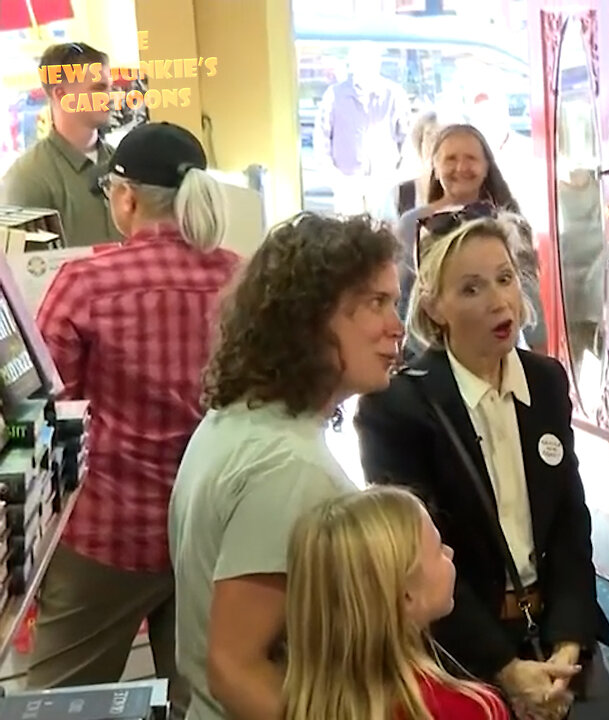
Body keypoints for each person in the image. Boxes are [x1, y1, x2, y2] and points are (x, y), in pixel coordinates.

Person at [355, 209, 609, 720]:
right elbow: (413, 564)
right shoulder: (398, 407)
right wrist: (506, 669)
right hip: (458, 644)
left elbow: (570, 523)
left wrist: (568, 643)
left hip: (550, 630)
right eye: (472, 289)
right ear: (434, 307)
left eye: (505, 278)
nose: (500, 300)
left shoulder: (545, 382)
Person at [29, 122, 238, 710]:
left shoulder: (87, 284)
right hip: (217, 534)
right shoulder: (245, 278)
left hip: (106, 534)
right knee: (204, 702)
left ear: (125, 197)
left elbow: (47, 410)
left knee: (58, 703)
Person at [168, 213, 404, 720]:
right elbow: (236, 668)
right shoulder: (288, 465)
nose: (396, 327)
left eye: (395, 303)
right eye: (375, 303)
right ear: (311, 318)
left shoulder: (237, 420)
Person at [283, 485, 512, 720]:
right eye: (438, 548)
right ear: (406, 596)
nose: (450, 553)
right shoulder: (472, 709)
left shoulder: (306, 707)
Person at [395, 124, 545, 352]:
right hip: (429, 353)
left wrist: (539, 352)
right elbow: (403, 293)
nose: (461, 167)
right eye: (450, 159)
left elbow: (528, 292)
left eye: (471, 158)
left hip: (497, 350)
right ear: (435, 165)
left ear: (487, 167)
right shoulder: (412, 223)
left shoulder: (508, 222)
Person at [1, 42, 123, 247]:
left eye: (110, 88)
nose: (110, 98)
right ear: (61, 94)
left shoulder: (123, 164)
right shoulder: (28, 178)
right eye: (99, 88)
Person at [314, 43, 412, 221]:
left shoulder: (394, 95)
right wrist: (337, 180)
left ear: (378, 63)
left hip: (384, 183)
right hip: (347, 183)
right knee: (348, 240)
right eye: (361, 59)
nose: (367, 64)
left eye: (371, 59)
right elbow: (321, 143)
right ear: (352, 63)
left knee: (386, 235)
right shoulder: (334, 96)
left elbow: (408, 143)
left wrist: (396, 178)